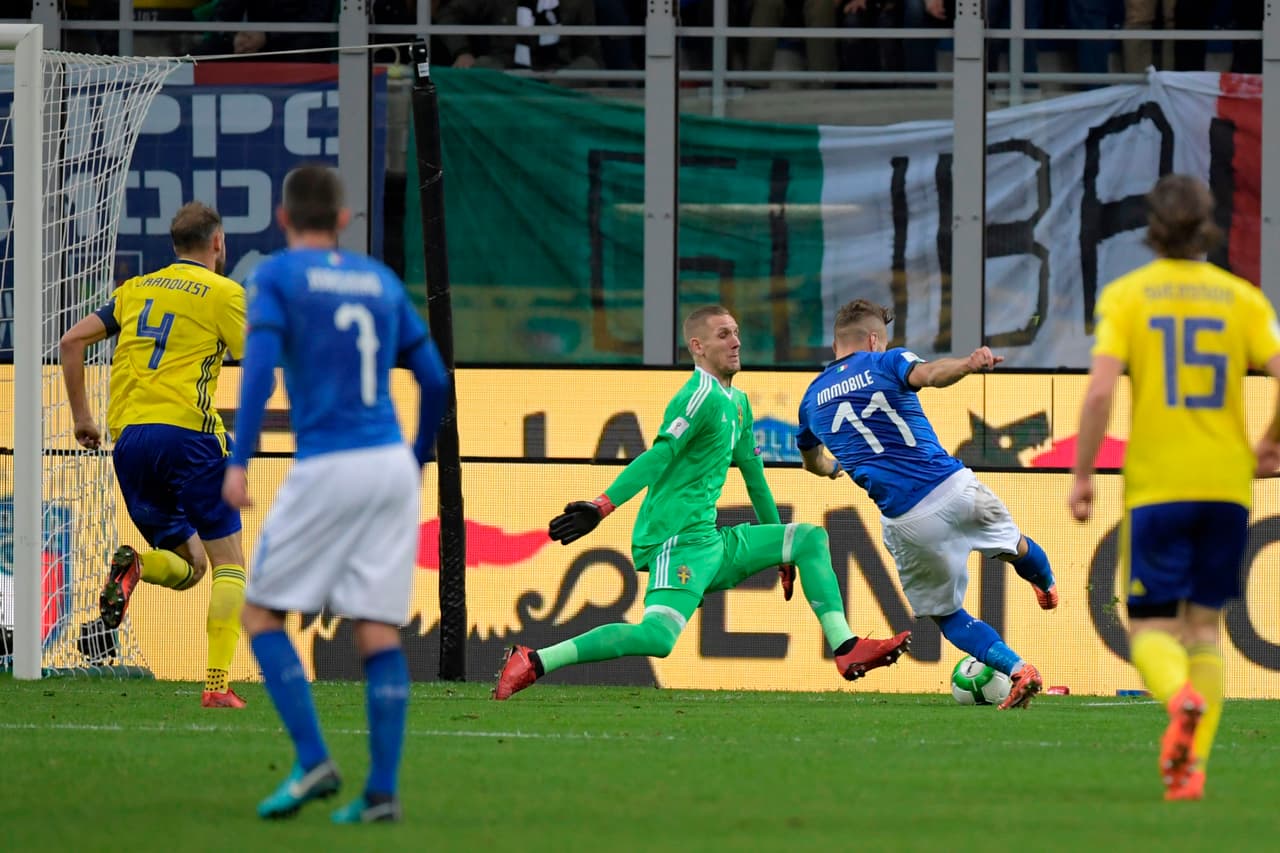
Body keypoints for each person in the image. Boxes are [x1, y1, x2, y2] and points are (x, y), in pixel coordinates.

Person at [494, 305, 911, 700]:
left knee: (807, 540)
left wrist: (782, 557)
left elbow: (755, 481)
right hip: (677, 539)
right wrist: (602, 505)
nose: (736, 343)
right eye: (723, 335)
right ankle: (535, 660)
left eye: (737, 334)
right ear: (698, 347)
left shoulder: (739, 403)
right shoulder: (698, 397)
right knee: (657, 638)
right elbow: (659, 455)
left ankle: (846, 647)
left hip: (711, 540)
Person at [222, 164, 449, 822]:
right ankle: (381, 791)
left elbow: (260, 363)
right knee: (376, 627)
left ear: (283, 218)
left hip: (329, 463)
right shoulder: (378, 280)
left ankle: (314, 757)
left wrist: (239, 459)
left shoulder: (278, 276)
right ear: (345, 220)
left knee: (262, 614)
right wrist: (416, 457)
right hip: (388, 464)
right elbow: (434, 378)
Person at [1069, 173, 1280, 802]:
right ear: (1207, 225)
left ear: (1152, 228)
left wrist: (1081, 474)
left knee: (1151, 632)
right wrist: (1269, 443)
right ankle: (1190, 771)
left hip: (1158, 487)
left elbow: (1102, 391)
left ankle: (1178, 700)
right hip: (1226, 485)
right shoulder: (1240, 298)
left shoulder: (1129, 296)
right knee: (1205, 631)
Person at [794, 298, 1055, 711]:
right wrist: (969, 364)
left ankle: (1019, 668)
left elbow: (811, 459)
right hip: (955, 487)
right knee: (1016, 545)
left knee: (948, 615)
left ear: (835, 344)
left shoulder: (810, 400)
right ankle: (1046, 584)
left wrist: (830, 469)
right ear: (875, 339)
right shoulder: (885, 362)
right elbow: (930, 374)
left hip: (909, 519)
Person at [59, 202, 250, 709]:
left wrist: (82, 417)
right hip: (189, 437)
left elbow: (71, 341)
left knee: (191, 566)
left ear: (173, 245)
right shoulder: (224, 293)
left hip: (130, 445)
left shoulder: (136, 288)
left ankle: (137, 565)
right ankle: (215, 686)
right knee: (231, 564)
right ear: (217, 243)